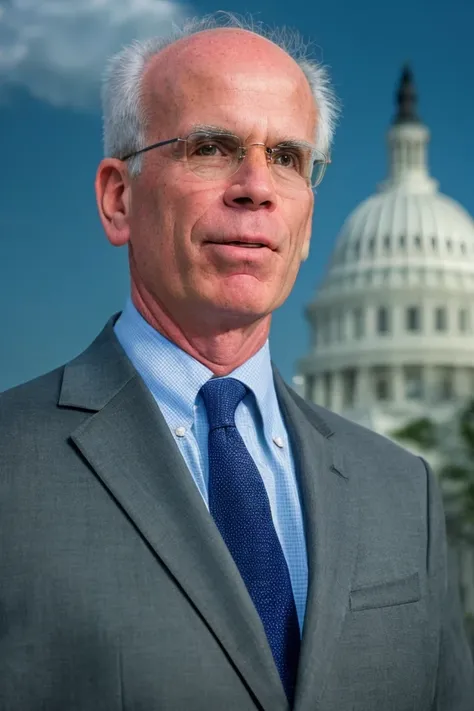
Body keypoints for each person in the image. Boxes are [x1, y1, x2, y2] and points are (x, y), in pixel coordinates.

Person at [1, 14, 473, 711]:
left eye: (287, 157)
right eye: (212, 147)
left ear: (308, 220)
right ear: (118, 197)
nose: (257, 186)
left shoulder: (402, 489)